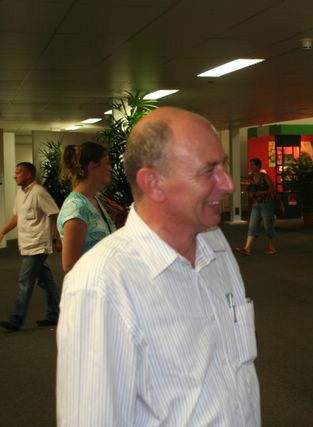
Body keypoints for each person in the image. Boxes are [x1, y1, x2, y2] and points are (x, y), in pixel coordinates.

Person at [56, 107, 260, 425]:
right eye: (208, 170)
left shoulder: (216, 244)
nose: (228, 185)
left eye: (224, 165)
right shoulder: (101, 284)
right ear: (153, 183)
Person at [0, 162, 61, 332]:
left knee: (25, 281)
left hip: (38, 244)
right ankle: (54, 314)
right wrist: (3, 231)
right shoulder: (20, 193)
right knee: (46, 281)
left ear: (29, 174)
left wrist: (60, 238)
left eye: (18, 173)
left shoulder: (39, 192)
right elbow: (16, 216)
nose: (15, 176)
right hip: (27, 243)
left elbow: (55, 215)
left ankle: (16, 319)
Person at [57, 142, 115, 273]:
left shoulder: (94, 199)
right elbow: (70, 265)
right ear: (92, 166)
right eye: (106, 163)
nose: (110, 168)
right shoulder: (76, 207)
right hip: (92, 283)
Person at [236, 157, 277, 255]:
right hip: (256, 204)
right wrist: (250, 193)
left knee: (268, 226)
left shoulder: (264, 176)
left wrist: (260, 193)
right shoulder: (250, 177)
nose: (250, 167)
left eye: (252, 165)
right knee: (252, 225)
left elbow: (272, 189)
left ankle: (272, 247)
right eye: (250, 165)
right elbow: (249, 189)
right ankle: (247, 248)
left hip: (266, 203)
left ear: (258, 166)